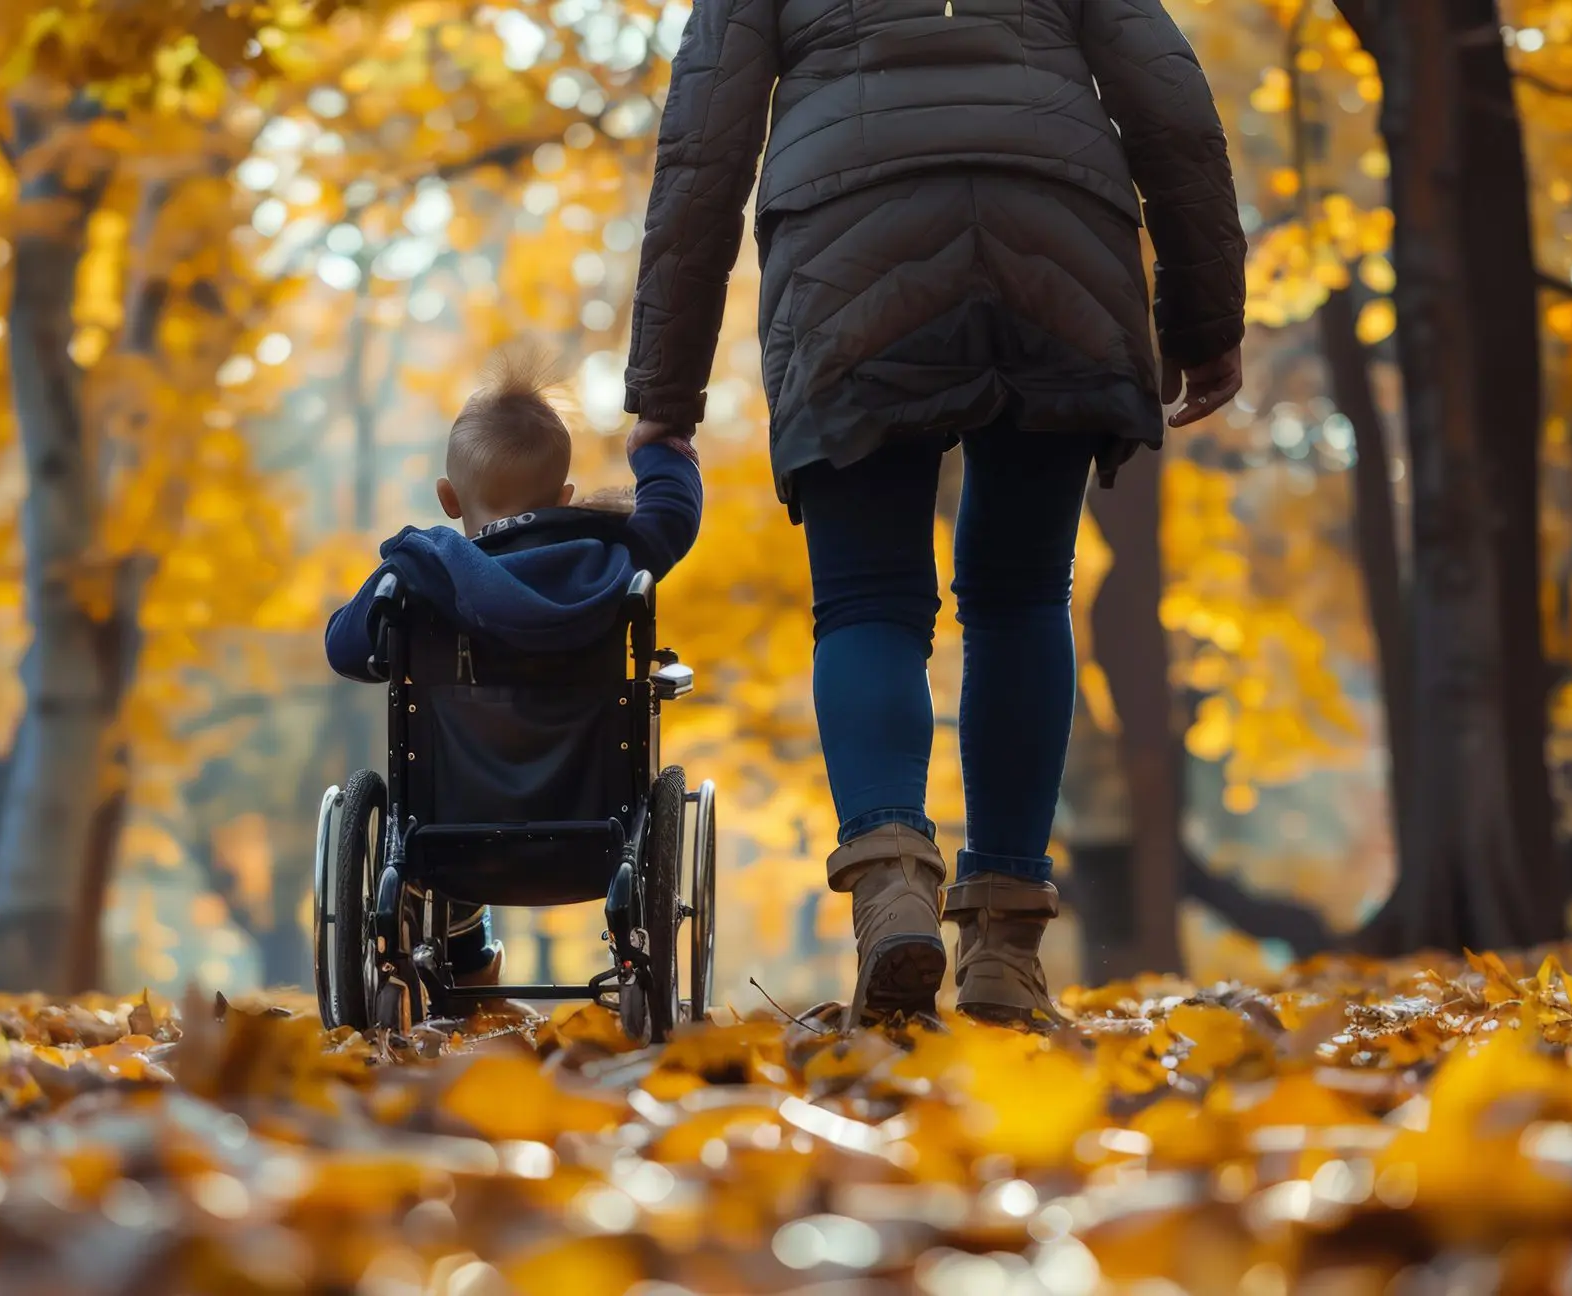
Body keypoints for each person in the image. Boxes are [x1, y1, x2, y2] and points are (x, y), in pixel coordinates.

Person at [622, 0, 1247, 1027]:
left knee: (867, 601)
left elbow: (702, 153)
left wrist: (664, 394)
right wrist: (1203, 314)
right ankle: (1003, 948)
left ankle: (891, 881)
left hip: (845, 251)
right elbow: (1168, 106)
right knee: (1017, 596)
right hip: (1056, 230)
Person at [325, 351, 705, 989]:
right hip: (595, 830)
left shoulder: (420, 575)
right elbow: (673, 513)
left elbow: (344, 648)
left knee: (445, 780)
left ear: (449, 498)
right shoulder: (615, 559)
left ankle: (469, 963)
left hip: (454, 834)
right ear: (563, 496)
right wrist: (661, 445)